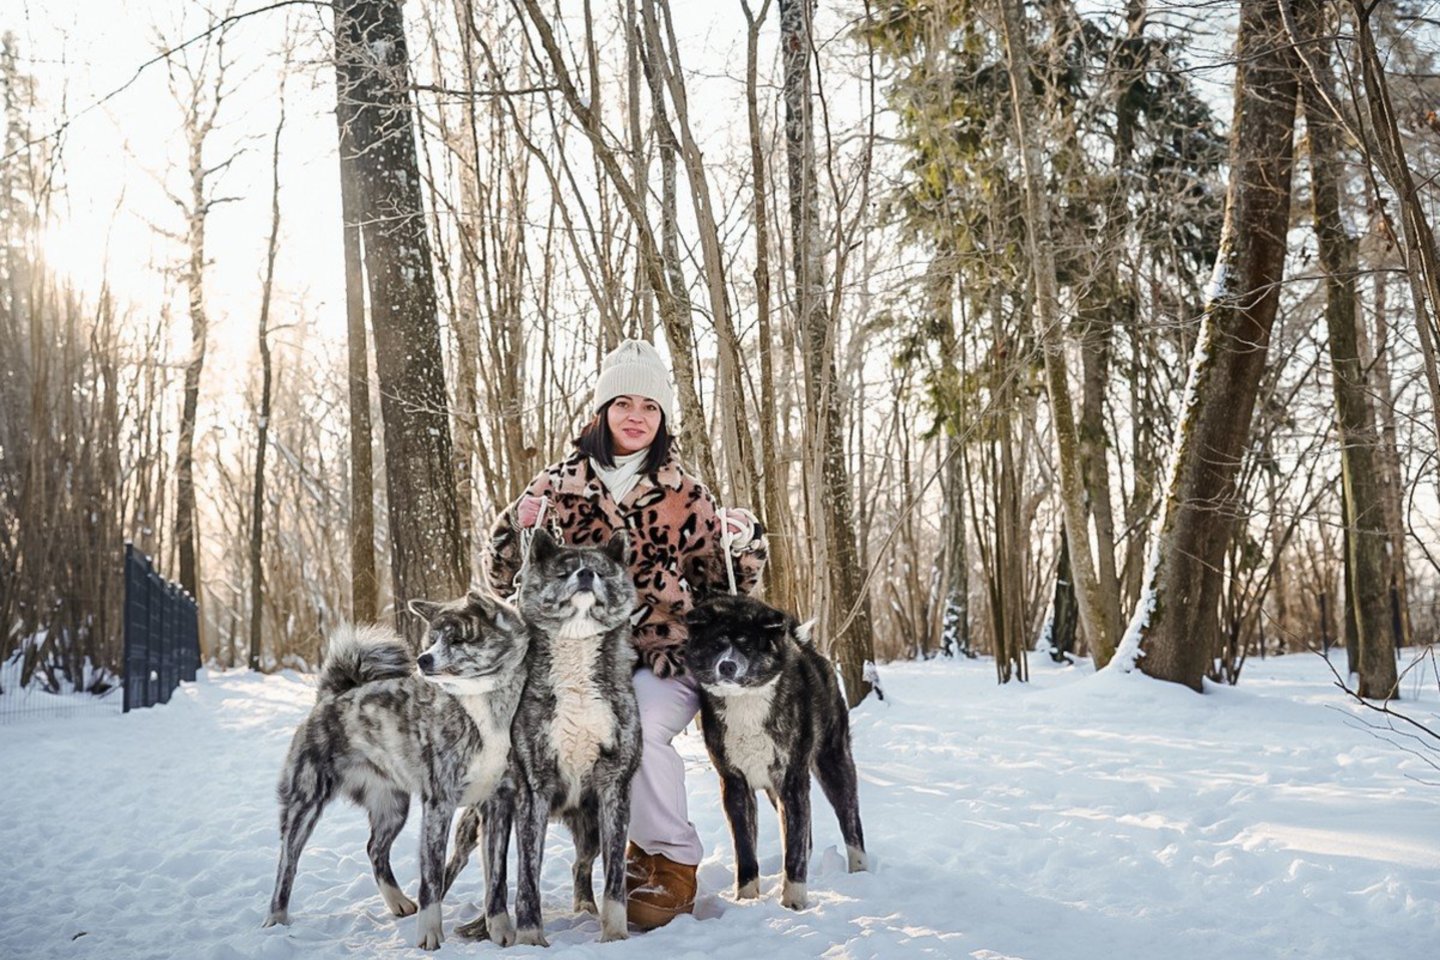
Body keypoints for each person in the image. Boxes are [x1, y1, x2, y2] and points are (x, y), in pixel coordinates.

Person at [485, 338, 768, 930]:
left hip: (664, 655)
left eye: (649, 405)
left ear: (662, 418)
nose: (636, 415)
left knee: (634, 721)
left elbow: (722, 591)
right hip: (573, 659)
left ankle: (673, 860)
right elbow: (506, 577)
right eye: (623, 403)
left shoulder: (687, 493)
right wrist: (512, 532)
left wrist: (743, 546)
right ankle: (627, 851)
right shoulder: (557, 484)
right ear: (602, 411)